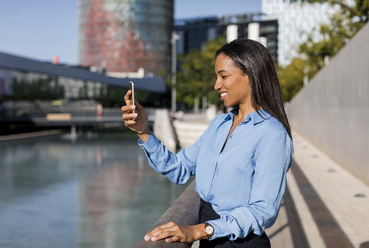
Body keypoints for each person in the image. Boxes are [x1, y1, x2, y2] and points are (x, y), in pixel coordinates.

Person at [121, 39, 293, 248]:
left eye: (224, 76)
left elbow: (263, 210)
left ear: (250, 75)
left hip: (239, 242)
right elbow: (179, 169)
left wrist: (198, 230)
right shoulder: (219, 124)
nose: (216, 85)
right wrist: (143, 131)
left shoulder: (272, 134)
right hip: (209, 238)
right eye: (216, 76)